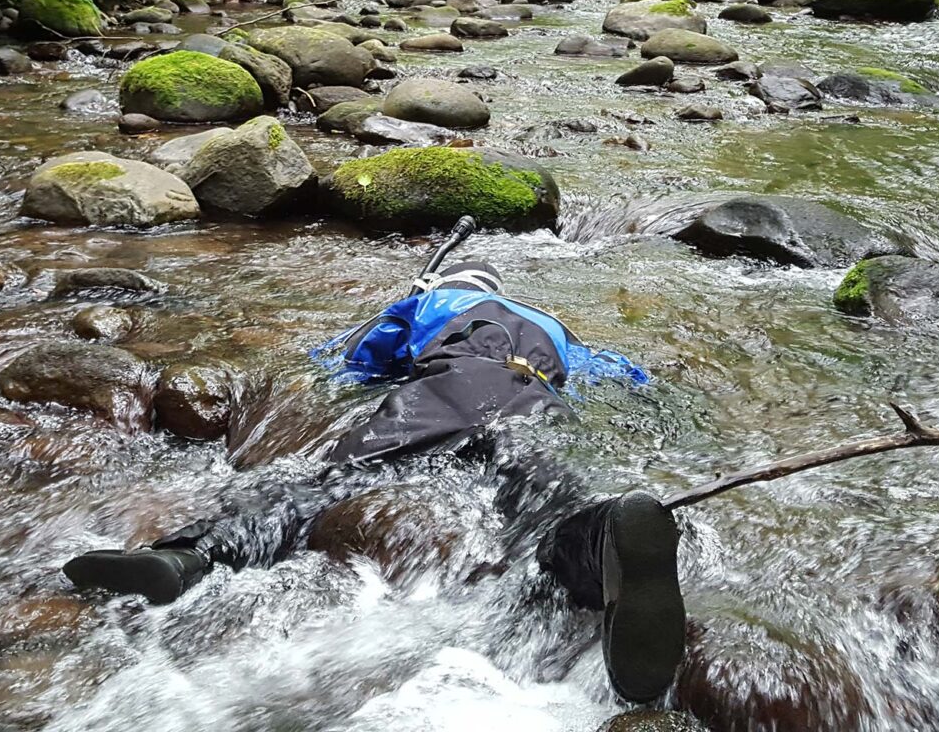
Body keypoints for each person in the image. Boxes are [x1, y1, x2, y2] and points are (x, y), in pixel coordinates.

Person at [63, 251, 687, 705]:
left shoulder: (433, 303)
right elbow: (622, 373)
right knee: (537, 498)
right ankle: (601, 540)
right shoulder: (553, 324)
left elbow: (358, 357)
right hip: (535, 398)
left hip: (445, 391)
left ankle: (191, 556)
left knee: (327, 486)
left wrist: (332, 366)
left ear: (453, 283)